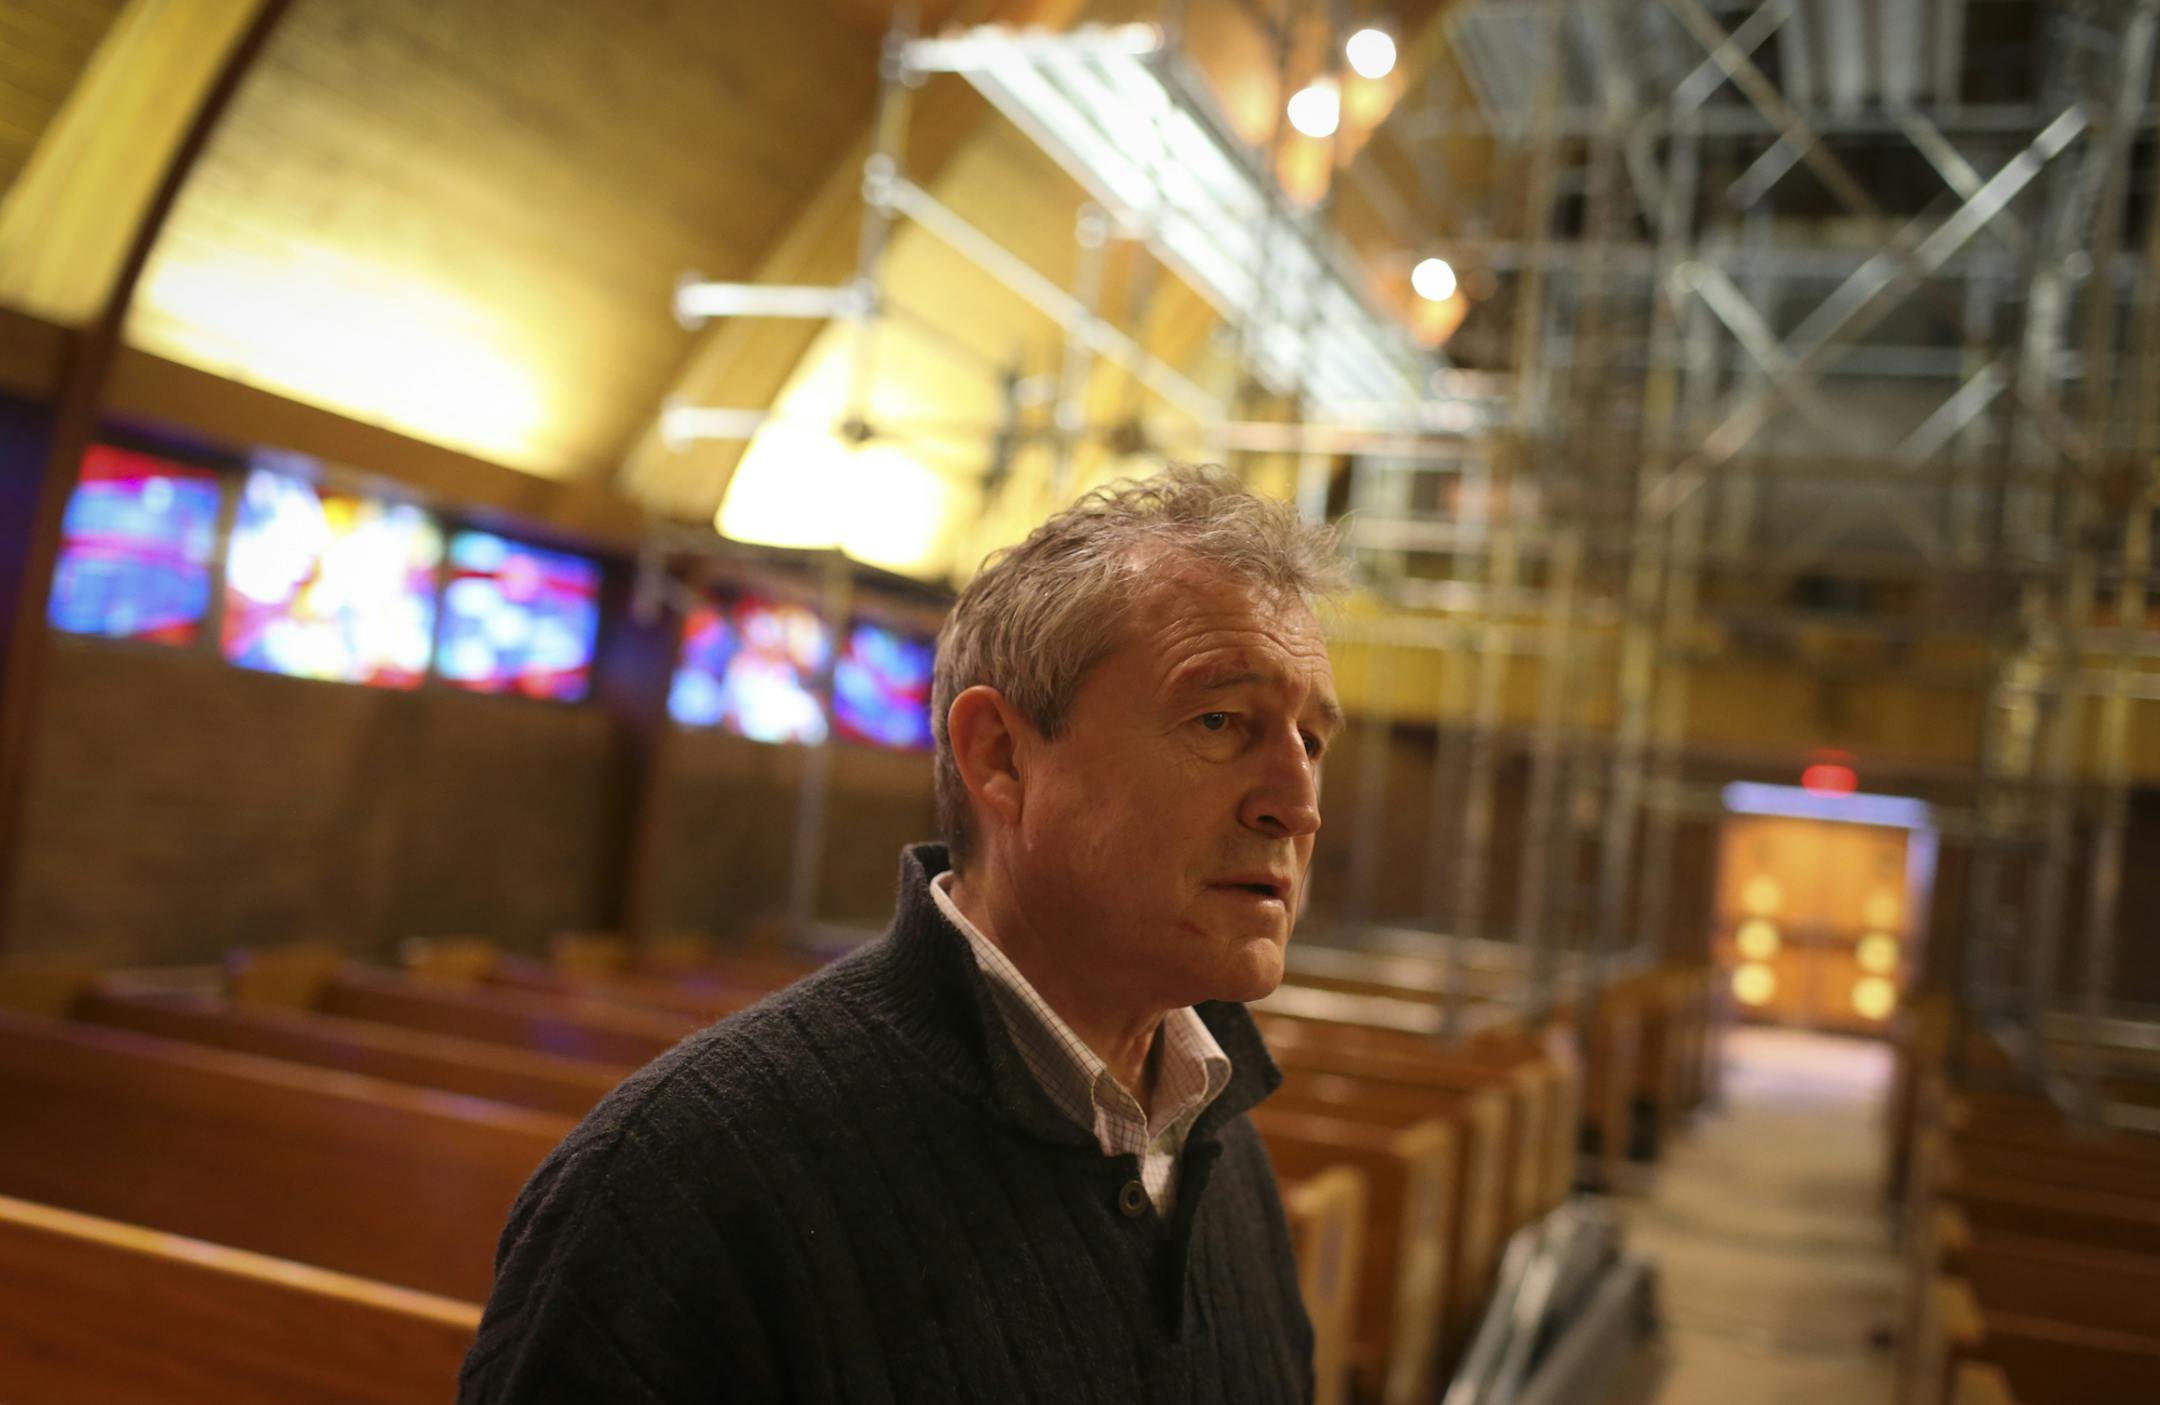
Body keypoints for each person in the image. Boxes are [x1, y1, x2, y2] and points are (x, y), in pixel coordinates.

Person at [459, 465, 1347, 1404]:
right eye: (1219, 719)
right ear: (1002, 758)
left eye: (1313, 743)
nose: (1298, 806)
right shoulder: (677, 1185)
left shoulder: (1224, 1148)